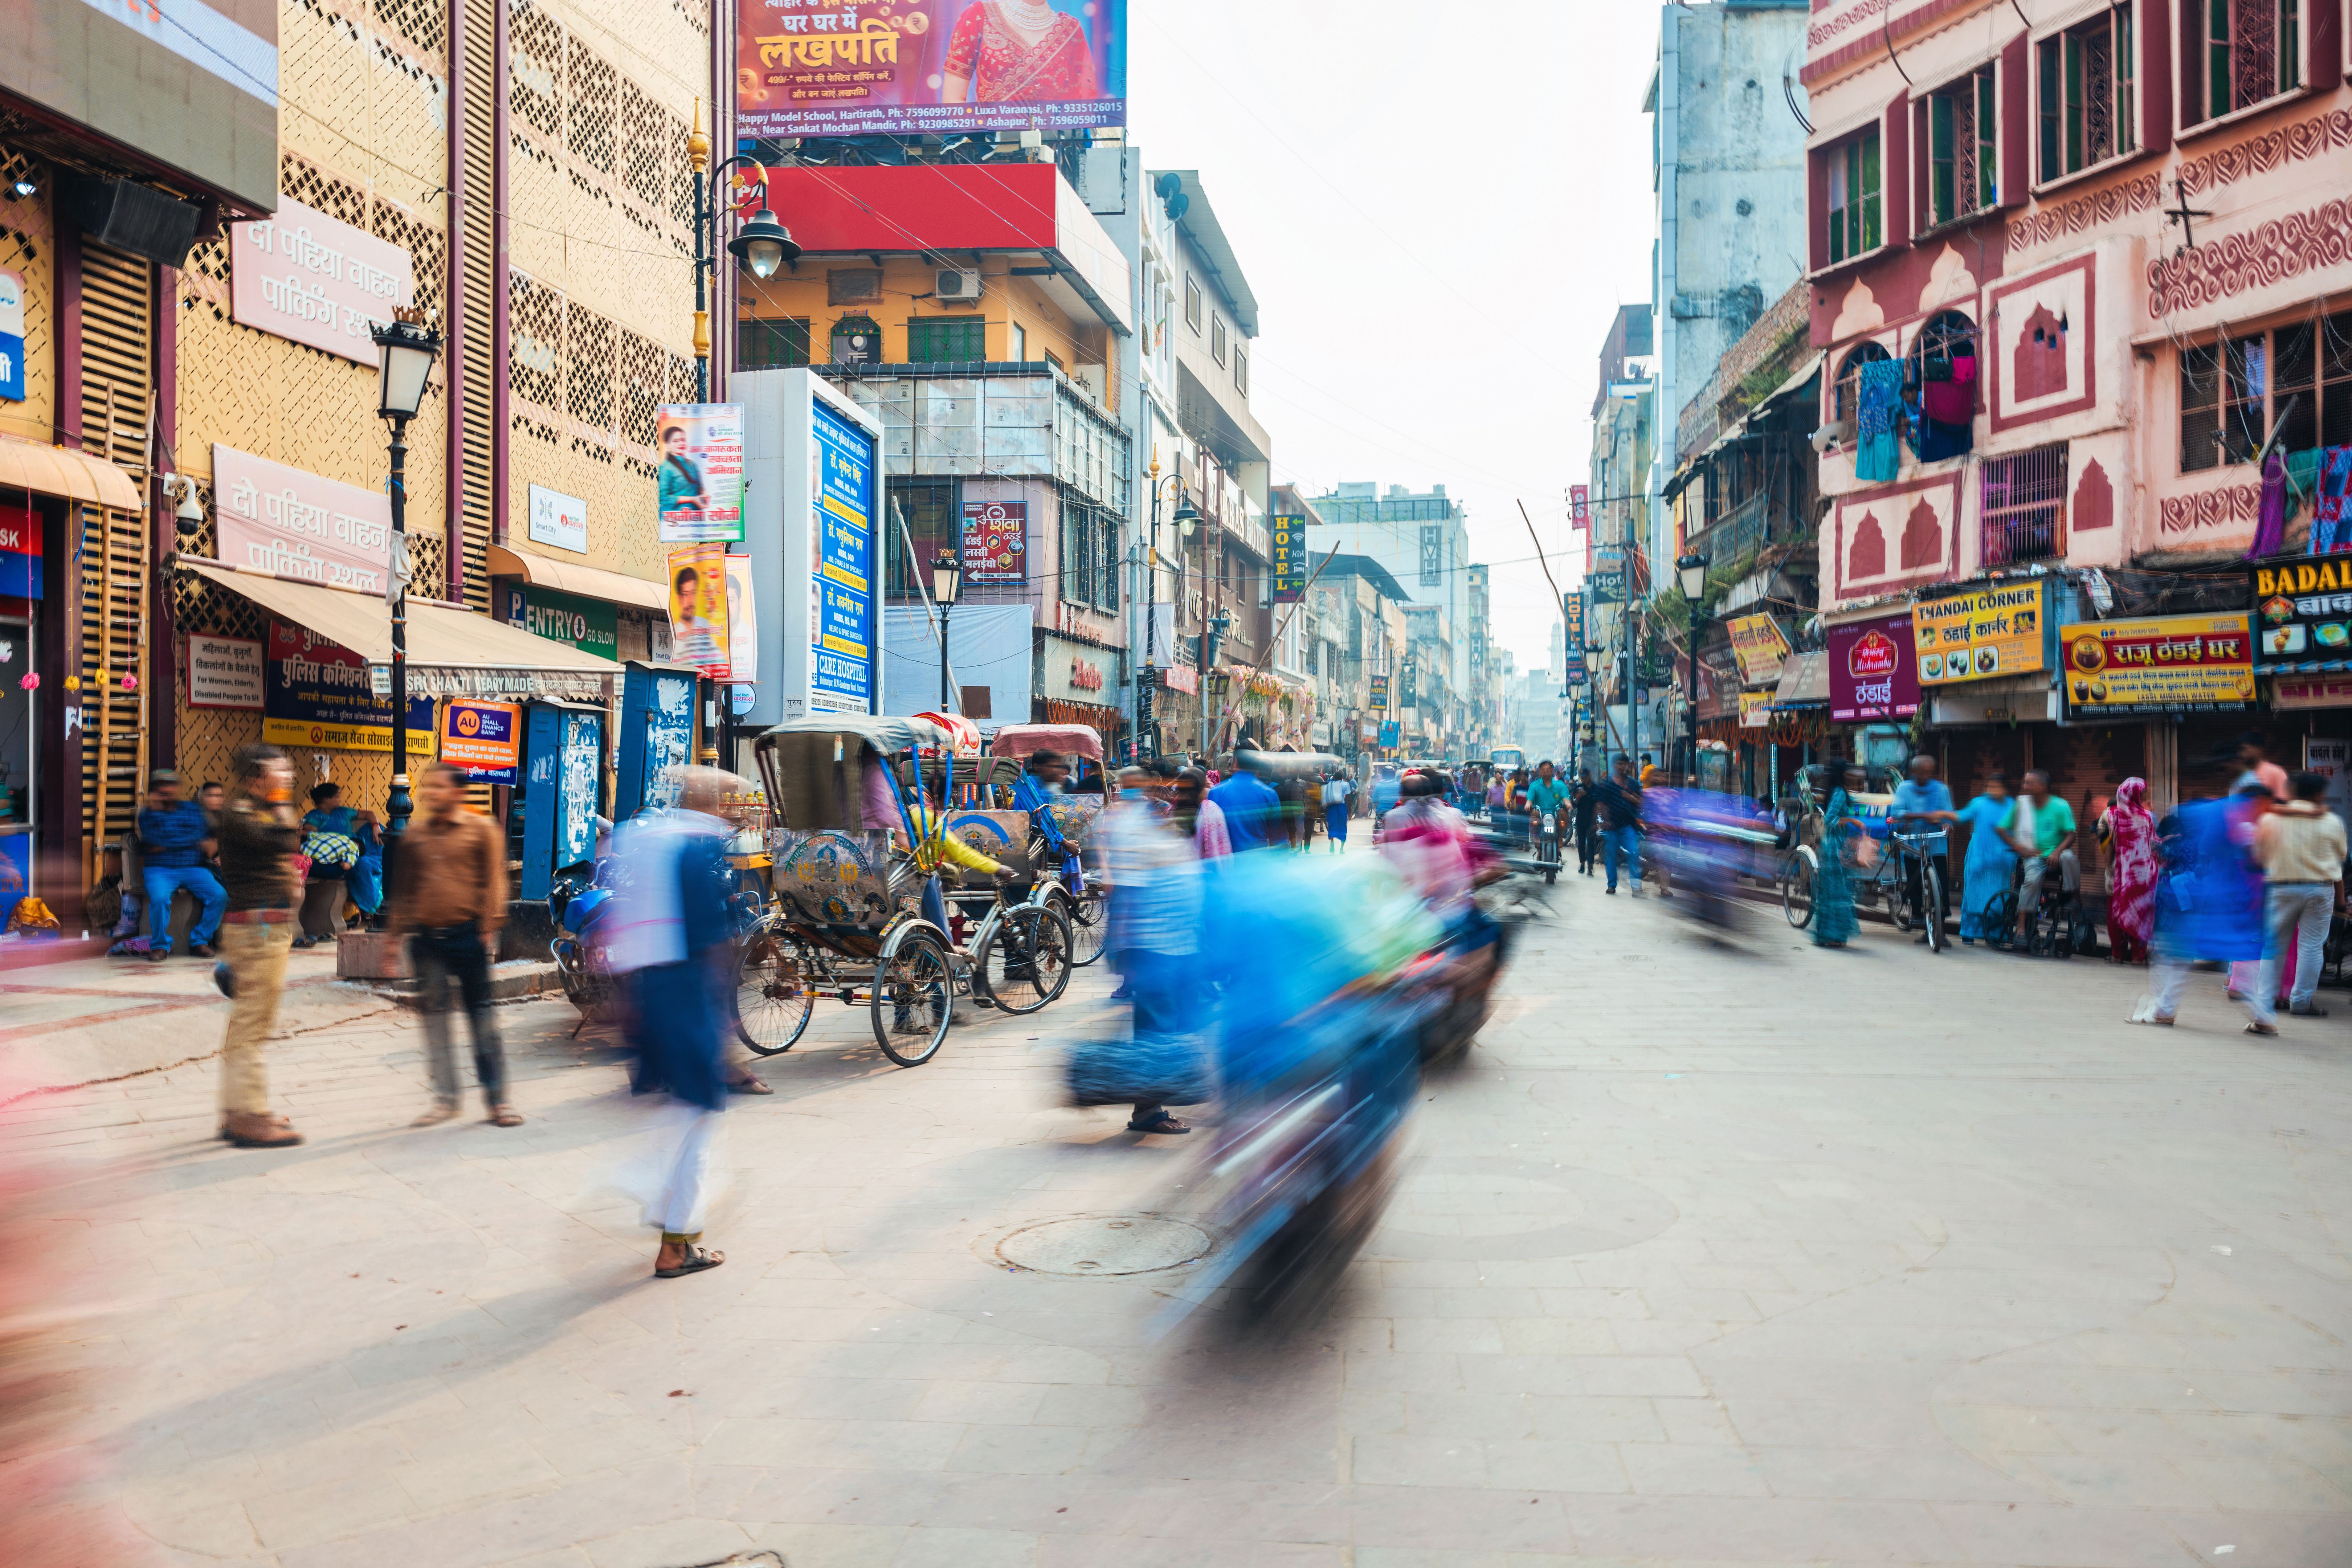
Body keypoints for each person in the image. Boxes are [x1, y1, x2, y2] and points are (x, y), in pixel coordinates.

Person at [605, 766, 740, 1277]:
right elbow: (710, 938)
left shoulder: (643, 841)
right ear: (709, 801)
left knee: (688, 1112)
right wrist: (723, 1025)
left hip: (646, 988)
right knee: (698, 1117)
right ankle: (673, 1238)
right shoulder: (695, 849)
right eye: (726, 801)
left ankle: (670, 1224)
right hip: (686, 991)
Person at [388, 760, 519, 1128]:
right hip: (427, 940)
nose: (431, 793)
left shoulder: (482, 830)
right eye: (428, 787)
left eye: (439, 787)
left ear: (458, 793)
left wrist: (489, 927)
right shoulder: (415, 835)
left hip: (468, 936)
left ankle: (498, 1101)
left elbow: (496, 880)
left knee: (482, 1020)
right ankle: (446, 1099)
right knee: (435, 1021)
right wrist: (393, 938)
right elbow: (403, 890)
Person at [1098, 765, 1205, 1136]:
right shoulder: (1128, 826)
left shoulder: (1153, 823)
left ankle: (1154, 1099)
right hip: (1154, 948)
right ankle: (1148, 1110)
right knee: (1156, 1028)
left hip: (1173, 946)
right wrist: (1121, 948)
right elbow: (1123, 893)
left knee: (1167, 1024)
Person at [213, 744, 304, 1148]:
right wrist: (284, 807)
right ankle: (249, 1115)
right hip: (257, 929)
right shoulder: (241, 812)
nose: (287, 778)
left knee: (248, 1021)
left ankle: (237, 1109)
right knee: (253, 1022)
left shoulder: (258, 810)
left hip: (264, 927)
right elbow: (282, 839)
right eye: (278, 772)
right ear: (253, 779)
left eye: (287, 771)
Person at [2134, 756, 2267, 1028]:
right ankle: (2263, 1016)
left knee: (2181, 955)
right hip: (2235, 899)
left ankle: (2165, 1011)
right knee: (2242, 953)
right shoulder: (2249, 818)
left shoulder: (2215, 813)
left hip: (2209, 898)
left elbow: (2206, 851)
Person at [2252, 770, 2348, 1025]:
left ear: (2291, 791)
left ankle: (2264, 1003)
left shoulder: (2271, 819)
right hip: (2319, 889)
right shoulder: (2331, 821)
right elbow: (2341, 855)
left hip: (2281, 887)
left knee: (2274, 947)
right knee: (2312, 948)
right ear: (2320, 794)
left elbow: (2259, 856)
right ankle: (2302, 1002)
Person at [135, 769, 224, 962]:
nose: (167, 789)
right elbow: (152, 841)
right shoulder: (148, 814)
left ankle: (200, 940)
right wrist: (183, 841)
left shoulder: (192, 810)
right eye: (162, 786)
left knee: (219, 895)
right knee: (159, 900)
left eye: (171, 785)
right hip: (159, 869)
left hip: (192, 867)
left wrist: (167, 843)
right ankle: (160, 945)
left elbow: (198, 836)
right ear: (156, 789)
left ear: (177, 788)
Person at [940, 0, 1100, 106]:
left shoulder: (1071, 31)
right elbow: (952, 101)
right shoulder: (979, 14)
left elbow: (1081, 108)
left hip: (1054, 148)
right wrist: (982, 144)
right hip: (991, 148)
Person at [2008, 769, 2079, 948]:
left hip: (2057, 851)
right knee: (2031, 880)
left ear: (2042, 786)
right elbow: (2003, 827)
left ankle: (2074, 899)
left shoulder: (2060, 806)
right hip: (2035, 854)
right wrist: (2019, 847)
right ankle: (2021, 927)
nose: (2024, 787)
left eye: (2029, 783)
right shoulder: (2022, 805)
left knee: (2069, 857)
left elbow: (2071, 835)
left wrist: (2057, 852)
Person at [1891, 754, 1956, 943]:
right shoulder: (1904, 788)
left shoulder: (1941, 790)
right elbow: (1897, 813)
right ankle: (1923, 924)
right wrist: (1924, 815)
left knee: (1941, 886)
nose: (1925, 776)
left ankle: (1941, 932)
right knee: (1915, 883)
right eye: (1922, 772)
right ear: (1914, 772)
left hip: (1935, 846)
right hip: (1912, 844)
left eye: (1929, 772)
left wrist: (1947, 825)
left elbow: (1948, 815)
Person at [2096, 777, 2159, 965]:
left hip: (2116, 875)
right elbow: (2153, 843)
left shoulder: (2110, 814)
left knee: (2115, 914)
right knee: (2140, 914)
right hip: (2141, 877)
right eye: (2143, 794)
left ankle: (2117, 955)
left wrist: (2109, 868)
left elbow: (2103, 840)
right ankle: (2138, 957)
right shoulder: (2146, 816)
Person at [1952, 773, 2019, 944]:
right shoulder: (1979, 803)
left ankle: (1996, 935)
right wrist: (1943, 815)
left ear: (2005, 789)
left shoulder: (2014, 806)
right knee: (1973, 895)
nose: (1993, 790)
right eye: (1990, 787)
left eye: (1997, 787)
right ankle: (1969, 932)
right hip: (1979, 859)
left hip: (2002, 860)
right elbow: (1961, 816)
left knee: (1998, 898)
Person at [1812, 763, 1867, 948]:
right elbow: (1830, 820)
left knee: (1831, 893)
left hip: (1833, 847)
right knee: (1838, 892)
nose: (1851, 775)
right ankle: (1834, 936)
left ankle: (1828, 935)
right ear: (1842, 774)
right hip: (1835, 848)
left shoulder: (1835, 791)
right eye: (1848, 772)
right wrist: (1853, 821)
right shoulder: (1840, 793)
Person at [1206, 748, 1282, 852]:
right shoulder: (1270, 794)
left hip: (1227, 863)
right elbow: (1277, 836)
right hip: (1259, 861)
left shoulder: (1216, 793)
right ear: (1257, 766)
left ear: (1235, 762)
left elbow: (1209, 835)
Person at [1594, 755, 1643, 895]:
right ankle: (1612, 885)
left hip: (1628, 825)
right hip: (1611, 827)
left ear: (1628, 766)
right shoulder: (1606, 783)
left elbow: (1641, 802)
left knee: (1634, 852)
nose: (1622, 767)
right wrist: (1605, 821)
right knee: (1610, 855)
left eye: (1625, 764)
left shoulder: (1633, 784)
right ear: (1614, 765)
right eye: (1619, 764)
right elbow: (1601, 804)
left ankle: (1636, 886)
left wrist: (1631, 798)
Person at [656, 420, 707, 519]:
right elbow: (662, 498)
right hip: (673, 520)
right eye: (676, 441)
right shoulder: (666, 468)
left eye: (683, 440)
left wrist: (704, 495)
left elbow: (700, 488)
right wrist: (692, 499)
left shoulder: (693, 465)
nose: (681, 443)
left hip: (694, 519)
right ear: (668, 444)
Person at [1524, 760, 1571, 853]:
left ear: (1553, 771)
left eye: (1548, 770)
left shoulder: (1560, 785)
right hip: (1541, 814)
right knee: (1534, 813)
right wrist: (1528, 805)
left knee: (1563, 812)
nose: (1546, 772)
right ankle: (1536, 837)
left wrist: (1568, 804)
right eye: (1543, 770)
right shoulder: (1535, 786)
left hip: (1556, 814)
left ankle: (1560, 838)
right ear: (1540, 772)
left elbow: (1566, 798)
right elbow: (1530, 800)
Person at [2237, 731, 2289, 802]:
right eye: (2240, 750)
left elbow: (2284, 801)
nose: (2241, 754)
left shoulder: (2275, 772)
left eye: (2245, 749)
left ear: (2259, 749)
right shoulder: (2240, 773)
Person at [1571, 768, 1600, 875]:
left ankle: (1590, 867)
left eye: (1585, 777)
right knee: (1581, 843)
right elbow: (1574, 805)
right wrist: (1578, 797)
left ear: (1590, 776)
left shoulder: (1596, 788)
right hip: (1581, 819)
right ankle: (1582, 864)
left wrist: (1595, 821)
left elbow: (1598, 805)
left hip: (1592, 820)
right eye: (1581, 778)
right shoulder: (1578, 788)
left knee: (1591, 843)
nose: (1583, 779)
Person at [1321, 769, 1353, 851]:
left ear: (1334, 778)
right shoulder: (1346, 785)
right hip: (1342, 807)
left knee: (1332, 825)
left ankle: (1332, 842)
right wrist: (1350, 811)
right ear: (1342, 778)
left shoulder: (1329, 785)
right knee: (1343, 826)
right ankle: (1342, 848)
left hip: (1332, 808)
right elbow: (1348, 799)